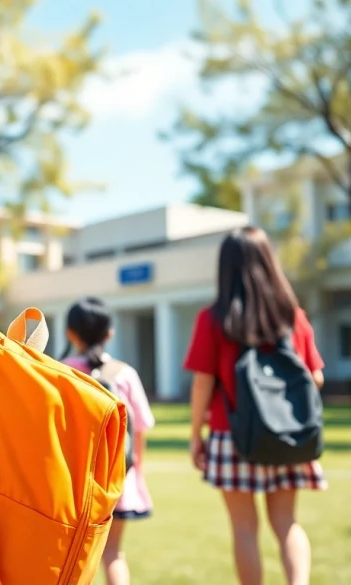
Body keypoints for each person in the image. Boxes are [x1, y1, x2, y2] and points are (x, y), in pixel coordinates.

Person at [183, 226, 327, 585]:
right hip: (289, 436)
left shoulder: (214, 319)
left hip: (231, 435)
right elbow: (316, 378)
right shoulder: (292, 317)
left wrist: (194, 435)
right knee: (287, 523)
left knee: (244, 529)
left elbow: (203, 381)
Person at [60, 297, 154, 585]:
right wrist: (135, 473)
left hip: (71, 483)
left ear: (70, 334)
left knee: (69, 557)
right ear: (109, 334)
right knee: (112, 553)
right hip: (116, 481)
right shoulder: (125, 374)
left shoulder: (60, 371)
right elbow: (140, 430)